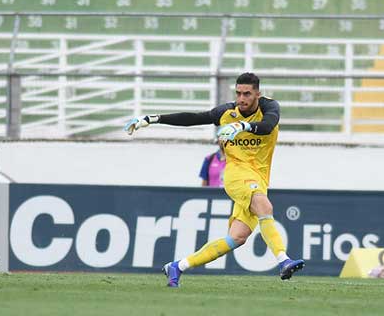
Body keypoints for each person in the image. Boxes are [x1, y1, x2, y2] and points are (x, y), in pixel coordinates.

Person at [124, 72, 304, 287]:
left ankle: (178, 266)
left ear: (258, 94)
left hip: (259, 178)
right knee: (264, 206)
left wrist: (243, 127)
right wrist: (152, 119)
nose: (241, 99)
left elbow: (267, 126)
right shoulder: (226, 112)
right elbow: (194, 118)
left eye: (247, 94)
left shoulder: (269, 108)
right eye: (238, 93)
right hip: (236, 174)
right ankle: (283, 261)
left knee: (237, 238)